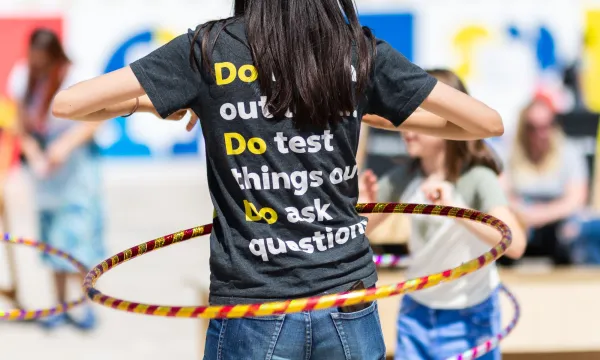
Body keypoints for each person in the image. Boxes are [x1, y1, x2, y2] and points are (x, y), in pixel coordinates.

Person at [52, 1, 503, 358]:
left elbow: (69, 105)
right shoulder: (358, 52)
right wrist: (380, 113)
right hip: (347, 300)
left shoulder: (208, 50)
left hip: (253, 303)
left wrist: (160, 102)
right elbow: (485, 124)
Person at [360, 69, 526, 360]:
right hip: (416, 313)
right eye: (405, 113)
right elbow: (357, 234)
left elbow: (515, 244)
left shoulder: (476, 178)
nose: (406, 124)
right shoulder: (403, 177)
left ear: (447, 124)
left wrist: (457, 211)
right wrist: (365, 204)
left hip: (469, 318)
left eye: (417, 115)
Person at [9, 28, 105, 330]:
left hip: (76, 163)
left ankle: (86, 304)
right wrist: (35, 153)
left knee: (79, 233)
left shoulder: (78, 75)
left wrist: (64, 147)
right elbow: (20, 124)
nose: (38, 68)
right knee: (52, 236)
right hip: (46, 169)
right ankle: (60, 304)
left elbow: (98, 119)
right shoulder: (23, 77)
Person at [503, 96, 588, 265]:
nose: (539, 134)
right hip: (522, 220)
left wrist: (539, 215)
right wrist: (525, 214)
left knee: (577, 229)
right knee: (502, 226)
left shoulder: (569, 152)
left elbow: (576, 199)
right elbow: (500, 195)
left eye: (545, 126)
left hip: (558, 221)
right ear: (523, 128)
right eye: (532, 128)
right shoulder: (509, 152)